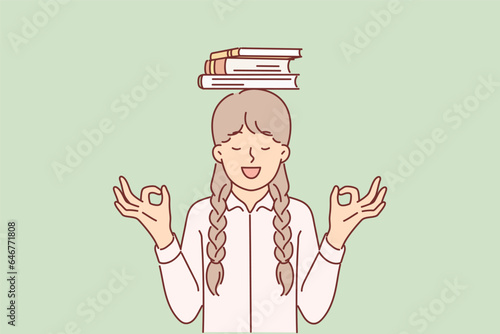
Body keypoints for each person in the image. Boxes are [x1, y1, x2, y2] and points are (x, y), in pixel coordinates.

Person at [113, 89, 386, 332]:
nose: (251, 157)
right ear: (219, 153)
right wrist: (163, 239)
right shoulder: (201, 215)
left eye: (264, 147)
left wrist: (335, 240)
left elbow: (313, 311)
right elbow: (186, 311)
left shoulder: (299, 215)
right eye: (238, 147)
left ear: (283, 153)